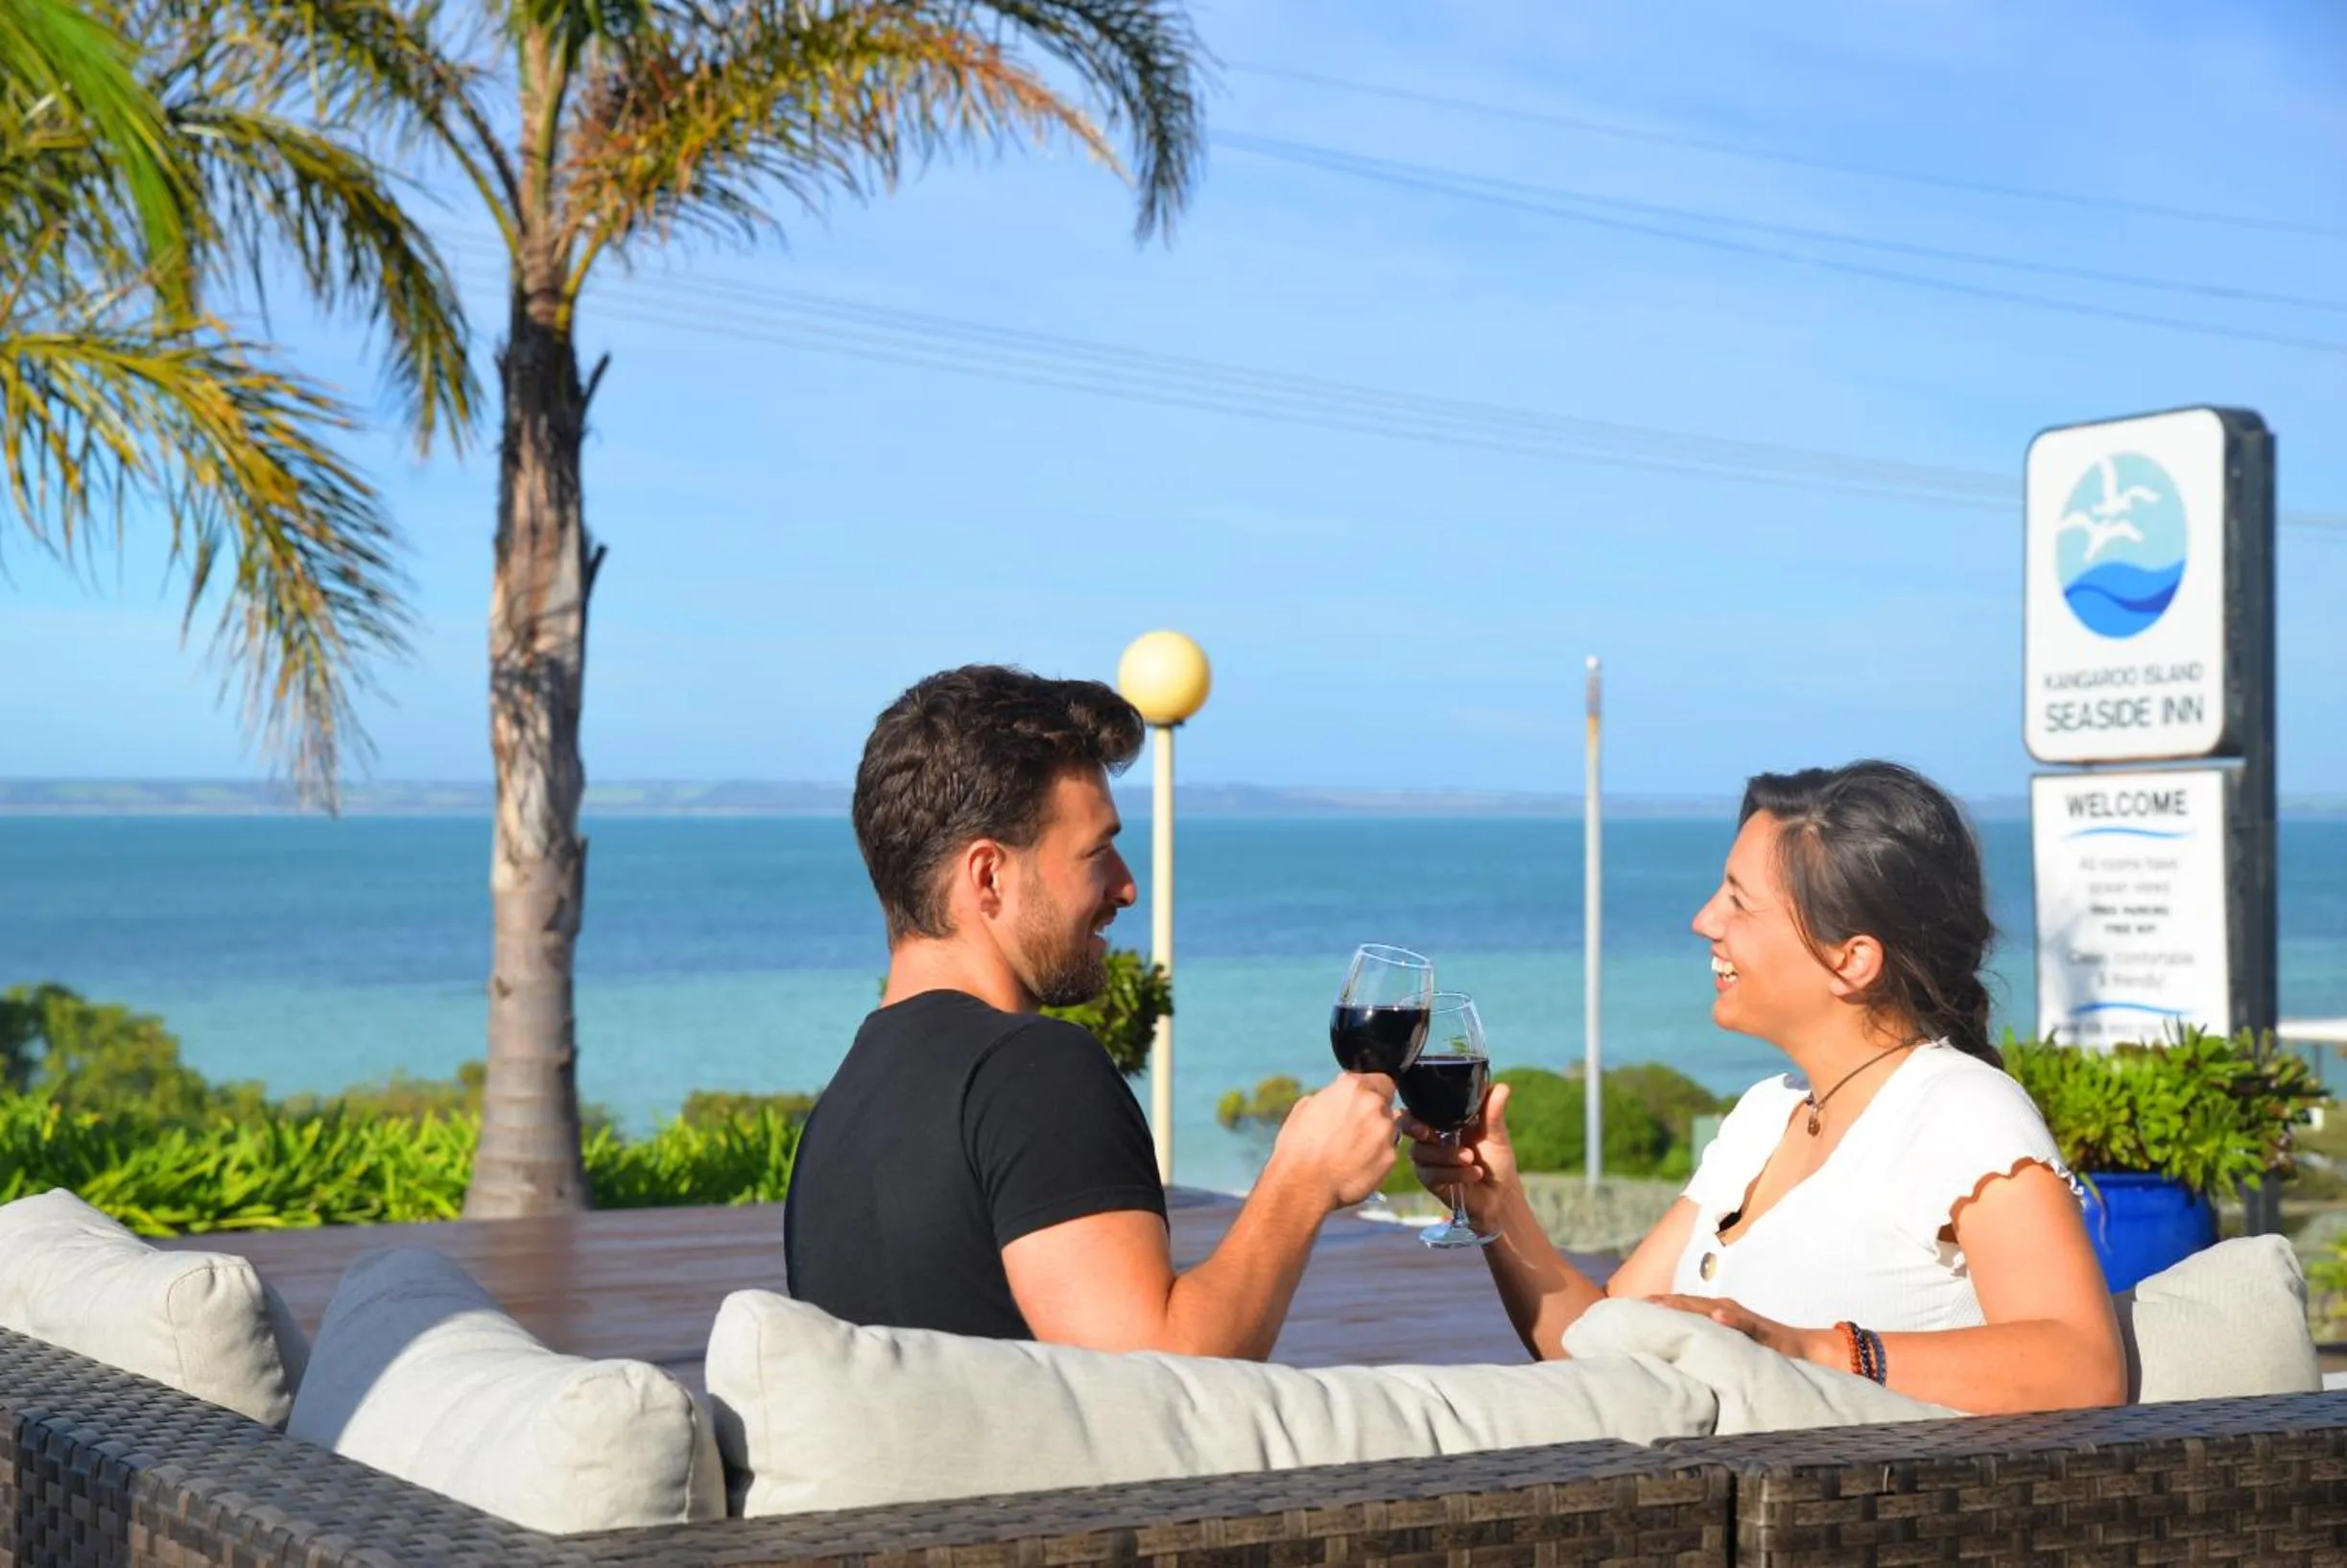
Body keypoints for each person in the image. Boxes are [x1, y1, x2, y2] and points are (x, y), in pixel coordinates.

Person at [1410, 761, 2126, 1414]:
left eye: (1738, 902)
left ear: (1851, 960)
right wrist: (1497, 1209)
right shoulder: (1767, 1112)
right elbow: (1597, 1341)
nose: (1703, 922)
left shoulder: (1962, 1111)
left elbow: (2083, 1368)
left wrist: (1807, 1350)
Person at [786, 664, 1400, 1356]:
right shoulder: (1031, 1069)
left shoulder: (839, 1111)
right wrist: (1303, 1179)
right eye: (1096, 851)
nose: (1126, 887)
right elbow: (1163, 1377)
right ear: (989, 876)